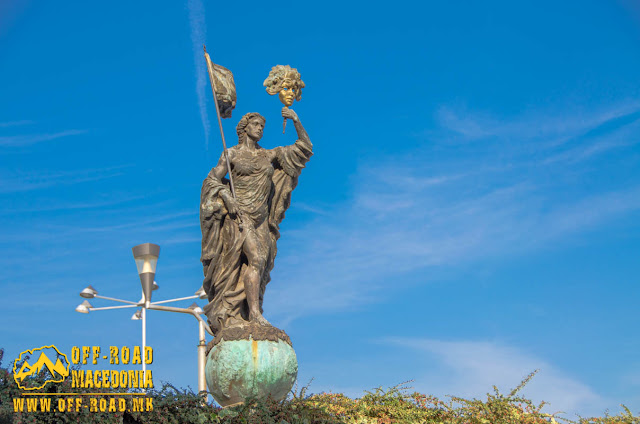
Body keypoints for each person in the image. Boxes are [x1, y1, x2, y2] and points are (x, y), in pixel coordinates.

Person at [199, 108, 312, 334]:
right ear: (244, 128)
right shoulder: (231, 154)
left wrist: (296, 119)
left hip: (261, 219)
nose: (260, 128)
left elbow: (304, 148)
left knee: (261, 266)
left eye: (262, 125)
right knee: (256, 259)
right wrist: (226, 196)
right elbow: (211, 181)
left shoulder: (269, 155)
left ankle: (251, 312)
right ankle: (254, 315)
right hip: (238, 216)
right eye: (256, 124)